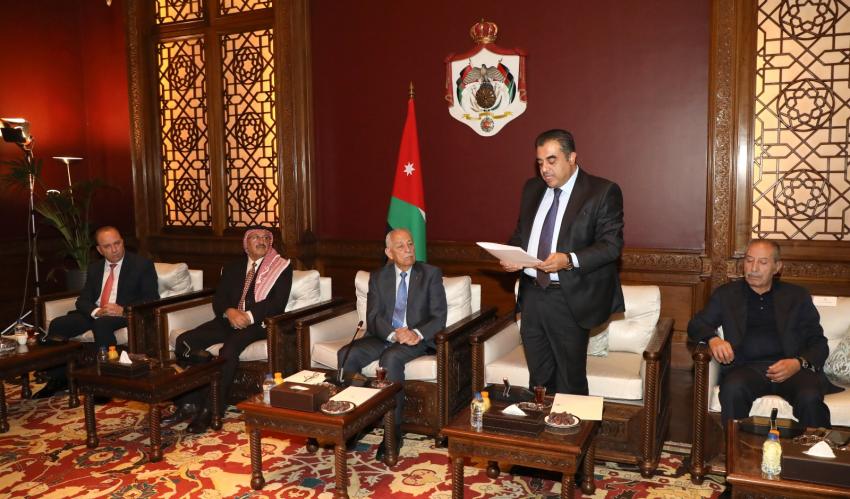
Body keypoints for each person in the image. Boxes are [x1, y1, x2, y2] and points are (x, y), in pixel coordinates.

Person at [500, 129, 624, 396]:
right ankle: (542, 423)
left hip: (568, 299)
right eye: (540, 162)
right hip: (532, 295)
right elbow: (522, 234)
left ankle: (571, 424)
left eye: (552, 160)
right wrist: (511, 255)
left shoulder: (601, 191)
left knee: (570, 381)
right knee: (539, 379)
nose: (544, 169)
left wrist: (568, 260)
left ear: (572, 158)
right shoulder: (532, 189)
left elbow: (611, 246)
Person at [688, 239, 841, 427]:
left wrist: (797, 363)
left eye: (762, 262)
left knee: (809, 397)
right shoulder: (727, 295)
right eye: (749, 260)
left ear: (777, 267)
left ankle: (816, 445)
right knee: (732, 389)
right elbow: (696, 324)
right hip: (746, 369)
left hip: (791, 369)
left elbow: (818, 343)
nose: (753, 268)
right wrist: (713, 339)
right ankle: (735, 444)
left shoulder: (797, 296)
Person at [165, 227, 292, 433]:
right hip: (228, 321)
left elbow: (277, 303)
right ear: (246, 243)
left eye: (266, 238)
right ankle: (188, 402)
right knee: (185, 342)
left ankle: (211, 409)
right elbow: (219, 299)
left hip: (259, 324)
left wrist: (248, 316)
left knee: (229, 351)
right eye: (256, 237)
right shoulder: (233, 267)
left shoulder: (281, 268)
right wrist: (229, 311)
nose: (262, 241)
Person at [338, 228, 447, 460]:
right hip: (385, 336)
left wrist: (416, 333)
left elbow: (439, 317)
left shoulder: (430, 274)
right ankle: (355, 422)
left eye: (410, 244)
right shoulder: (379, 277)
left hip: (417, 339)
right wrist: (393, 334)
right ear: (389, 252)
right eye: (401, 246)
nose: (408, 250)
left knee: (391, 359)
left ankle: (393, 432)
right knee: (347, 354)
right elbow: (373, 317)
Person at [34, 226, 159, 399]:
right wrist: (97, 311)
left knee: (102, 325)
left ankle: (107, 382)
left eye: (117, 243)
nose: (114, 249)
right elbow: (82, 300)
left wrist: (123, 309)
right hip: (98, 313)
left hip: (125, 314)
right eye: (108, 246)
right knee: (59, 324)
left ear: (123, 242)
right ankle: (58, 378)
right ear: (100, 250)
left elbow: (152, 298)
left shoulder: (142, 265)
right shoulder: (95, 268)